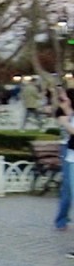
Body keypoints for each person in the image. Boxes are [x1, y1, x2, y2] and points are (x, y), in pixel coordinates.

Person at [54, 88, 74, 232]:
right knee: (67, 186)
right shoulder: (61, 113)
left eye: (64, 97)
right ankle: (62, 219)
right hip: (67, 149)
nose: (62, 98)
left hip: (71, 149)